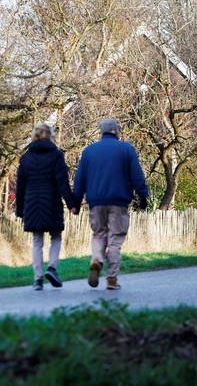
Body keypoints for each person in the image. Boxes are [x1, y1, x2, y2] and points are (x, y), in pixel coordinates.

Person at [73, 118, 148, 290]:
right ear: (117, 131)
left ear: (102, 132)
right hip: (118, 202)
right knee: (114, 240)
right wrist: (143, 196)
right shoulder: (126, 149)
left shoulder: (89, 151)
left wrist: (76, 202)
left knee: (99, 234)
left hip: (96, 202)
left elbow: (80, 180)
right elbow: (137, 176)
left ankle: (97, 260)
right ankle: (112, 279)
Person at [15, 123, 77, 291]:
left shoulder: (25, 158)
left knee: (37, 241)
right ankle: (52, 268)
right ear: (50, 136)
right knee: (56, 236)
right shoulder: (56, 156)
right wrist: (72, 204)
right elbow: (63, 183)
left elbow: (19, 187)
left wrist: (20, 209)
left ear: (34, 136)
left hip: (32, 204)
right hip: (52, 203)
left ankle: (37, 279)